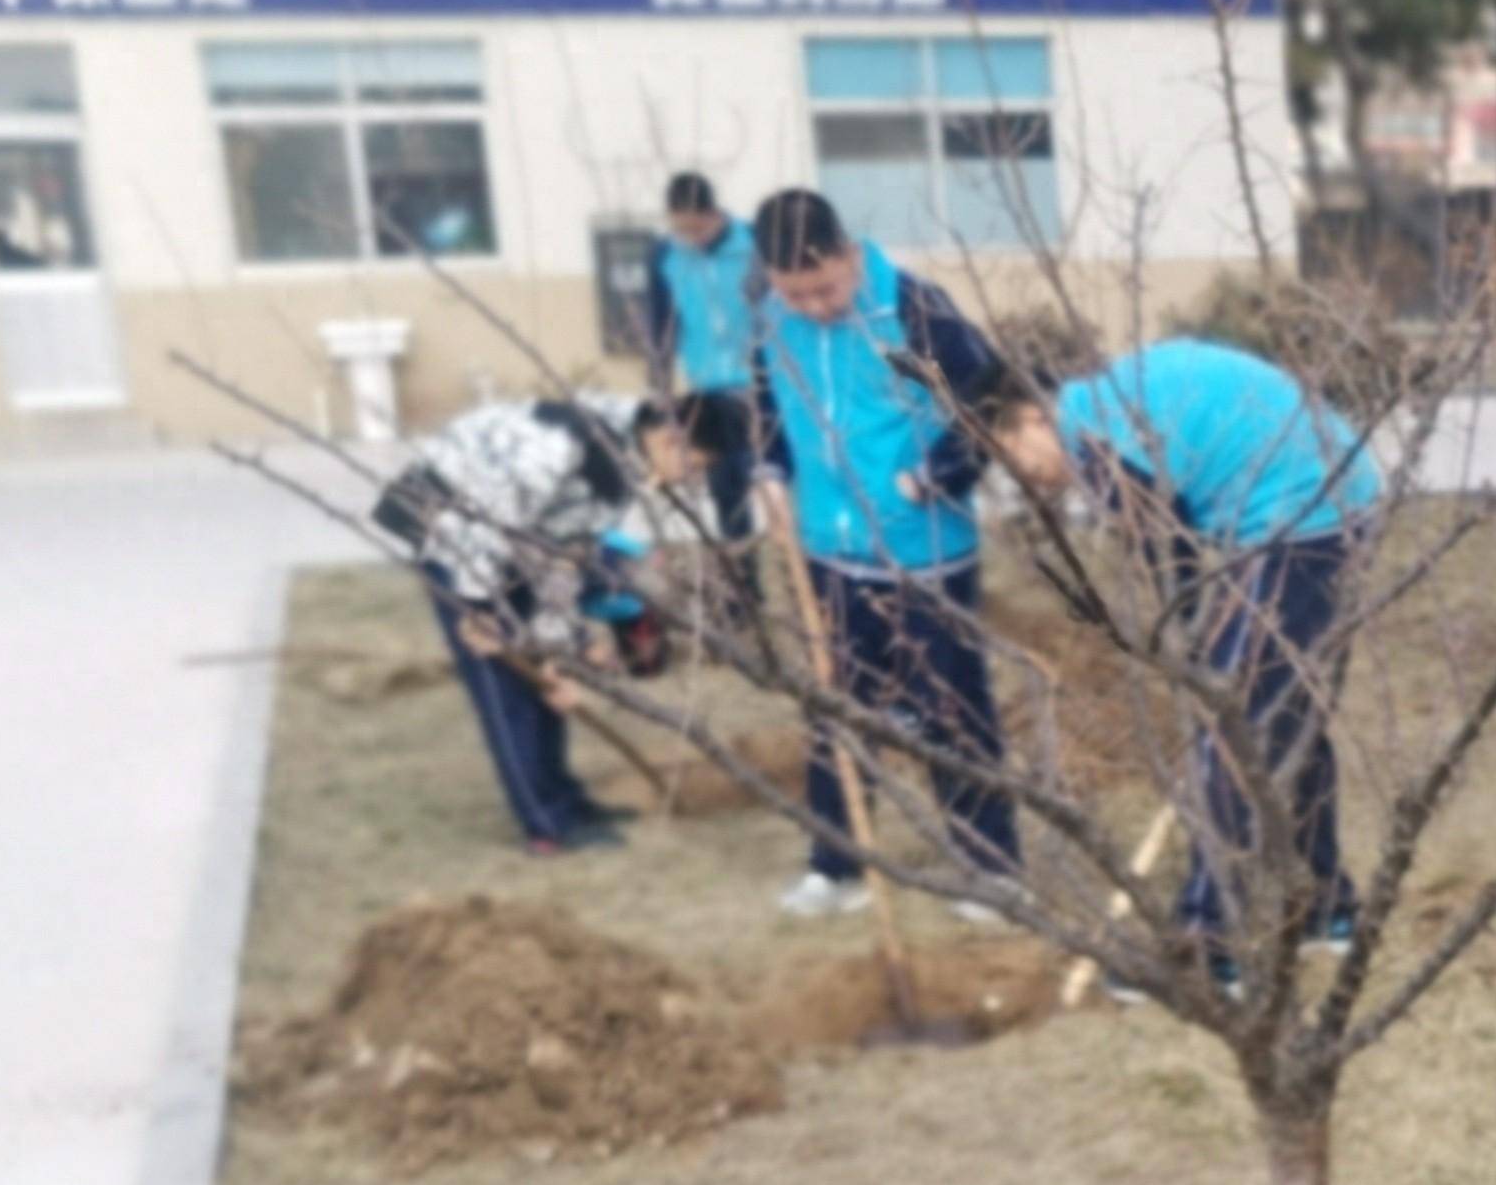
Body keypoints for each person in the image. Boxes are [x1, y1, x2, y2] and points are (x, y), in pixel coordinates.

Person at [992, 336, 1382, 953]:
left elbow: (1166, 558)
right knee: (1284, 715)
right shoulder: (1115, 402)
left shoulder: (1093, 435)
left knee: (1232, 729)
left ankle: (1207, 939)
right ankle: (1328, 904)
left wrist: (1204, 660)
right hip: (1331, 500)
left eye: (1014, 455)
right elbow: (1174, 544)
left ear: (1035, 416)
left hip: (1300, 517)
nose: (1028, 479)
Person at [741, 187, 1018, 915]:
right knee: (838, 709)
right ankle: (838, 866)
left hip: (925, 549)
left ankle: (991, 868)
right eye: (796, 294)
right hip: (830, 553)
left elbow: (989, 398)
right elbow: (768, 405)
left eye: (826, 287)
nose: (816, 307)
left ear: (850, 255)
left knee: (953, 709)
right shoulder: (772, 321)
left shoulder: (915, 311)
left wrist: (939, 474)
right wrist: (767, 472)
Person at [378, 391, 686, 854]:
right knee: (505, 683)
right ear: (667, 437)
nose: (694, 479)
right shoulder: (561, 448)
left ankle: (566, 800)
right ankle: (546, 826)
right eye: (696, 463)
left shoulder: (620, 456)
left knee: (540, 671)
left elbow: (566, 557)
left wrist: (559, 648)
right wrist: (477, 610)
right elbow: (480, 532)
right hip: (453, 540)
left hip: (516, 546)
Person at [642, 169, 760, 554]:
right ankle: (743, 575)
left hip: (762, 380)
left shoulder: (754, 242)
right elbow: (661, 323)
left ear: (714, 214)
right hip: (708, 384)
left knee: (777, 471)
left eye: (697, 229)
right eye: (681, 230)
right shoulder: (665, 255)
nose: (690, 239)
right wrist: (659, 382)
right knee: (726, 481)